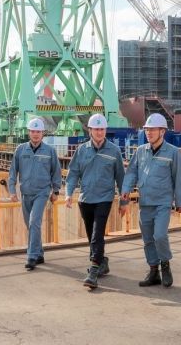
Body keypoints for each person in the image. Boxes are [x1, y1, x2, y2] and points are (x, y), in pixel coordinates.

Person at [121, 113, 181, 288]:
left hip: (163, 203)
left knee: (160, 235)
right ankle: (153, 270)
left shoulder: (172, 152)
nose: (149, 133)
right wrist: (126, 189)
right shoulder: (141, 151)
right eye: (147, 130)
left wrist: (180, 202)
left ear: (162, 131)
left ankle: (165, 265)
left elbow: (178, 177)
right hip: (145, 202)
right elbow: (132, 172)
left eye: (152, 130)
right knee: (148, 239)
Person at [65, 113, 126, 289]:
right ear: (90, 130)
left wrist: (123, 201)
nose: (99, 132)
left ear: (105, 130)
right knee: (92, 234)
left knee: (97, 234)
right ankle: (102, 261)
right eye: (96, 129)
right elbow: (73, 173)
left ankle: (93, 271)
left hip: (104, 198)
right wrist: (69, 193)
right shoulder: (81, 150)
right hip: (85, 199)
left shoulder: (114, 151)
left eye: (102, 129)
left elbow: (121, 178)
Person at [8, 117, 62, 271]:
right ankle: (39, 254)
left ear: (43, 133)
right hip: (26, 193)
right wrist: (12, 190)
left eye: (38, 131)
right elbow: (13, 171)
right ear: (29, 132)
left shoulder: (49, 151)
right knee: (30, 225)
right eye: (33, 131)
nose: (36, 134)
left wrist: (56, 191)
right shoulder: (20, 150)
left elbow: (56, 172)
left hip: (42, 192)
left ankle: (31, 256)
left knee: (34, 222)